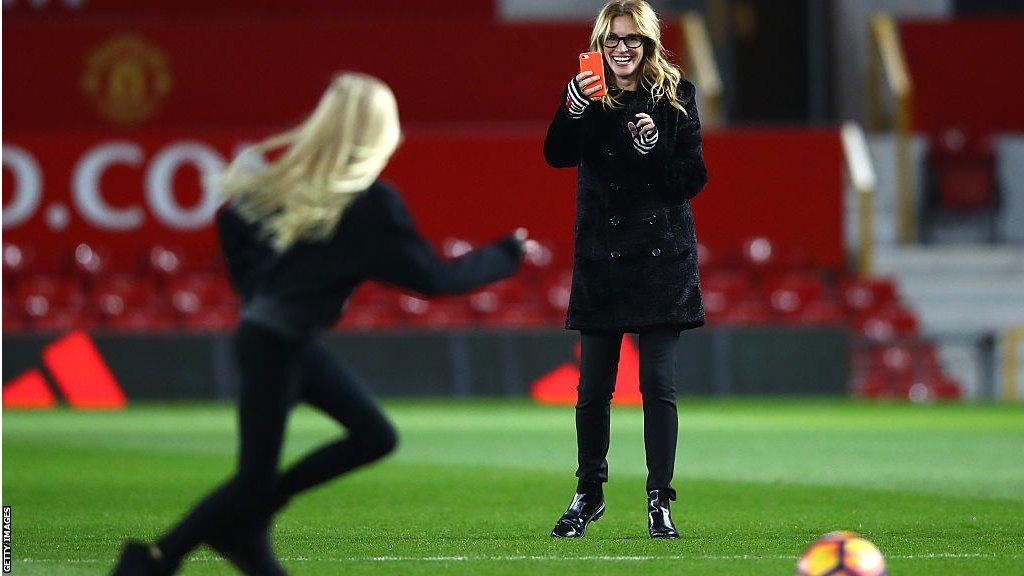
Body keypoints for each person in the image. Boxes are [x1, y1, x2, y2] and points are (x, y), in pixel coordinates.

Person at [112, 72, 534, 575]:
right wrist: (507, 255)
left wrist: (258, 290)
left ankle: (246, 526)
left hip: (276, 339)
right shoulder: (367, 202)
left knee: (371, 437)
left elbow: (232, 220)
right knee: (257, 478)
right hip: (277, 344)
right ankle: (156, 558)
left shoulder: (304, 192)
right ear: (380, 130)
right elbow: (433, 279)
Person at [543, 0, 708, 540]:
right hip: (602, 259)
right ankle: (588, 493)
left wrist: (654, 148)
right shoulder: (587, 94)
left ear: (650, 44)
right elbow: (556, 156)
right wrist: (570, 109)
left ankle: (660, 500)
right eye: (613, 39)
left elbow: (690, 179)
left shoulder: (675, 96)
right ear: (600, 42)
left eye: (632, 39)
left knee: (659, 385)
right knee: (593, 390)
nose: (621, 48)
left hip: (662, 257)